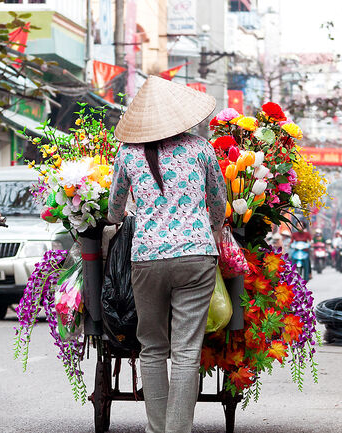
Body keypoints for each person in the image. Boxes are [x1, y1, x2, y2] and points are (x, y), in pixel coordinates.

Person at [107, 76, 226, 433]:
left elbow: (114, 209)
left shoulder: (127, 153)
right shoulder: (202, 148)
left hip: (147, 259)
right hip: (197, 257)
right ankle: (178, 431)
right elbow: (218, 204)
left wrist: (122, 215)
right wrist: (214, 227)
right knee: (187, 350)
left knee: (153, 347)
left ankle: (158, 429)